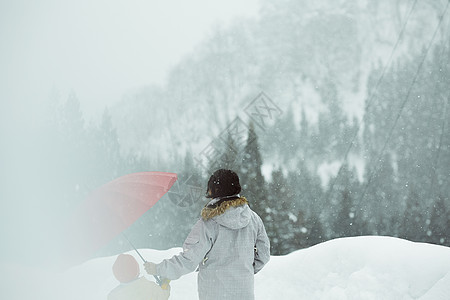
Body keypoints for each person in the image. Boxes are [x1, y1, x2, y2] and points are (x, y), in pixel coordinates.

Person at [144, 169, 270, 300]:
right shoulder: (254, 219)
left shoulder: (209, 222)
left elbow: (190, 259)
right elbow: (264, 255)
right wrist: (244, 271)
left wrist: (159, 269)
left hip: (214, 293)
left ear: (214, 190)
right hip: (244, 293)